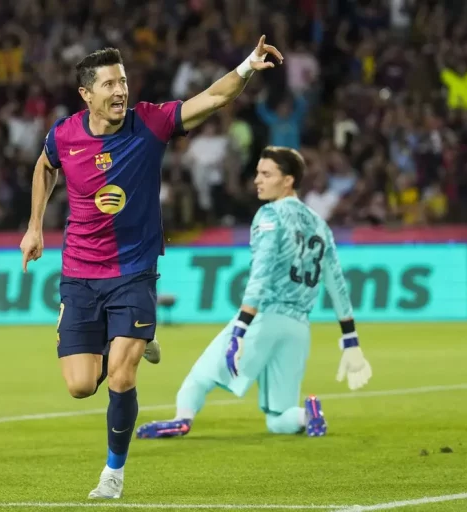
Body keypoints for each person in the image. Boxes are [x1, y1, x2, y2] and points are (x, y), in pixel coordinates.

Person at [20, 37, 284, 499]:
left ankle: (113, 473)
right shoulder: (64, 135)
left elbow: (213, 98)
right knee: (80, 386)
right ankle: (132, 338)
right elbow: (45, 166)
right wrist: (34, 227)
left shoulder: (149, 122)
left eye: (122, 81)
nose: (120, 90)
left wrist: (246, 66)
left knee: (121, 376)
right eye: (109, 84)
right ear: (86, 94)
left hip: (133, 271)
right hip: (80, 272)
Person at [135, 147, 373, 440]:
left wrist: (240, 329)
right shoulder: (319, 224)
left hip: (265, 318)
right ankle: (307, 414)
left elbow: (261, 275)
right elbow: (336, 283)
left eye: (266, 174)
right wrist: (350, 340)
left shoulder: (269, 215)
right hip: (298, 328)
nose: (257, 180)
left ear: (288, 180)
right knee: (279, 417)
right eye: (258, 173)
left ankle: (182, 420)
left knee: (198, 379)